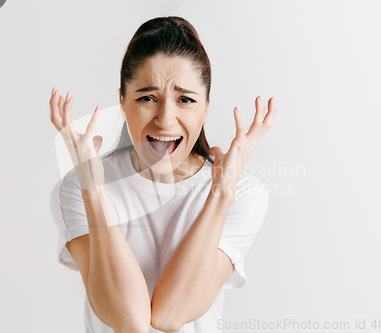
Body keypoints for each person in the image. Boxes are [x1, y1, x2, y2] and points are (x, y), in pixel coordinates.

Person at [49, 16, 276, 333]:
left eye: (185, 99)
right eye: (146, 98)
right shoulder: (77, 189)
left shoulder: (244, 194)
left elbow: (170, 316)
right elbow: (130, 322)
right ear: (123, 102)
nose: (166, 119)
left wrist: (222, 193)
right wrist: (94, 192)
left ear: (206, 106)